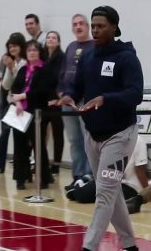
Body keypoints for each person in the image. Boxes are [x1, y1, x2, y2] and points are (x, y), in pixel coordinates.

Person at [57, 5, 143, 251]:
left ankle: (89, 247)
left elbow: (135, 94)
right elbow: (77, 86)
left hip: (120, 136)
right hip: (92, 136)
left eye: (100, 26)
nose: (95, 30)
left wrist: (107, 98)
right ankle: (130, 245)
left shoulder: (126, 57)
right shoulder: (89, 56)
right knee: (112, 193)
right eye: (93, 25)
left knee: (103, 194)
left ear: (114, 27)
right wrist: (69, 95)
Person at [11, 40, 55, 190]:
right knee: (19, 145)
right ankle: (21, 178)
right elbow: (14, 88)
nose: (32, 52)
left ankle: (44, 177)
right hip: (20, 112)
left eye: (35, 50)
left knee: (38, 146)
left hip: (36, 112)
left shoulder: (45, 69)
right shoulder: (23, 69)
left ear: (39, 52)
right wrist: (17, 103)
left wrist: (22, 96)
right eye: (29, 50)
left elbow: (41, 91)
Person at [58, 14, 95, 190]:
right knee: (74, 140)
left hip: (84, 99)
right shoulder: (71, 47)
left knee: (87, 138)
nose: (78, 27)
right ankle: (78, 175)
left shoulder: (95, 46)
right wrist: (60, 91)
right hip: (67, 99)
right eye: (75, 24)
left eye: (81, 24)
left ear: (87, 26)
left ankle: (89, 175)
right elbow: (63, 71)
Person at [67, 136, 151, 204]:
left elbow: (140, 170)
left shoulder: (139, 141)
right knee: (83, 195)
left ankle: (84, 183)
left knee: (88, 197)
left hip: (130, 187)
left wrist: (149, 194)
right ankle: (83, 183)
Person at [0, 32, 27, 174]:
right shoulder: (9, 61)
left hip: (23, 105)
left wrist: (12, 68)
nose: (12, 49)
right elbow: (6, 85)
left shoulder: (25, 62)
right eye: (10, 46)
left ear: (21, 46)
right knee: (4, 134)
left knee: (20, 140)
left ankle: (22, 170)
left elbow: (22, 82)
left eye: (15, 46)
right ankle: (0, 165)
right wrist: (9, 68)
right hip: (9, 104)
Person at [43, 31, 65, 174]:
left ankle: (56, 164)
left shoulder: (62, 57)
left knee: (57, 132)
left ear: (58, 42)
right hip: (43, 100)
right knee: (40, 132)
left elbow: (61, 78)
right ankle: (42, 162)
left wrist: (58, 97)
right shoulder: (42, 56)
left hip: (56, 99)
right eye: (48, 37)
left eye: (54, 38)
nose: (51, 40)